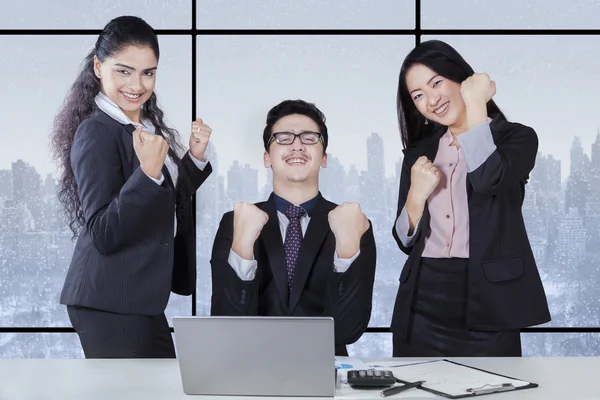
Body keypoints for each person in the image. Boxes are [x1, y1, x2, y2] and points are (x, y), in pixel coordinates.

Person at [51, 16, 213, 358]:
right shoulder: (97, 132)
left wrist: (194, 160)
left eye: (147, 72)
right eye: (123, 71)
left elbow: (161, 200)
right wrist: (149, 173)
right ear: (98, 66)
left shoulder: (144, 124)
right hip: (108, 299)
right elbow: (103, 232)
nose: (137, 85)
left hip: (138, 294)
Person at [391, 40, 551, 357]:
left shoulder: (517, 138)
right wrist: (415, 197)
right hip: (422, 299)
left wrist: (476, 104)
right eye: (418, 95)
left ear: (460, 78)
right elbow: (403, 240)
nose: (431, 100)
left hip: (489, 299)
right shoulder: (419, 154)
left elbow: (489, 179)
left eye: (436, 83)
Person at [210, 99, 376, 356]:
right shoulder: (235, 221)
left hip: (323, 373)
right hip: (252, 370)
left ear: (324, 158)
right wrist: (242, 247)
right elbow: (226, 326)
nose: (297, 145)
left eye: (309, 138)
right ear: (267, 158)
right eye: (284, 138)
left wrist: (346, 250)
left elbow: (347, 331)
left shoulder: (353, 223)